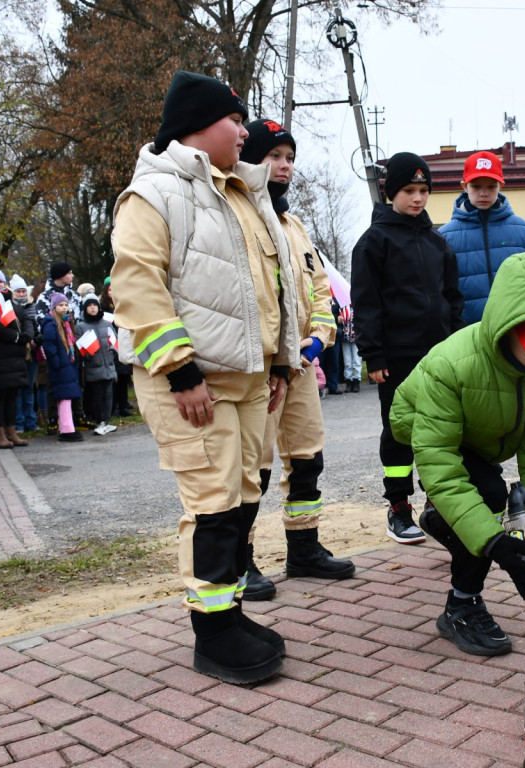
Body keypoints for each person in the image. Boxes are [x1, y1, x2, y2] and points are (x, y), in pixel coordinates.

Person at [111, 70, 300, 685]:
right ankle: (212, 634)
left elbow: (272, 291)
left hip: (249, 379)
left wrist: (280, 362)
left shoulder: (244, 192)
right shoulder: (154, 195)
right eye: (235, 120)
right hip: (194, 382)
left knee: (245, 496)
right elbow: (138, 288)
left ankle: (231, 612)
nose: (245, 131)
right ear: (199, 123)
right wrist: (182, 371)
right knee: (213, 503)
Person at [389, 252, 525, 656]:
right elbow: (442, 465)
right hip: (424, 426)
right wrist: (494, 542)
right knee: (486, 503)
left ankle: (439, 518)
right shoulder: (453, 366)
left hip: (482, 435)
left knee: (483, 509)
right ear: (506, 330)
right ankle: (461, 607)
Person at [239, 118, 354, 599]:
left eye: (289, 158)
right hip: (261, 365)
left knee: (307, 457)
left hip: (302, 365)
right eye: (274, 157)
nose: (284, 166)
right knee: (252, 468)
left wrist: (319, 338)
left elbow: (320, 289)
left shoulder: (295, 224)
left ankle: (303, 548)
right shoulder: (239, 214)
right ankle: (237, 559)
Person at [350, 151, 464, 545]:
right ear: (390, 192)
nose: (417, 199)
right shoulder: (373, 242)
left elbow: (452, 297)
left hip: (439, 355)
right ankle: (399, 507)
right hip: (396, 357)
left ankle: (438, 503)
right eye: (409, 190)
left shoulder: (437, 242)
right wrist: (374, 354)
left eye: (424, 191)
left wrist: (456, 343)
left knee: (442, 429)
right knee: (399, 430)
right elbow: (366, 301)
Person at [439, 151, 525, 326]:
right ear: (464, 186)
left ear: (501, 186)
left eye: (491, 186)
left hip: (515, 329)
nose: (484, 193)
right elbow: (440, 293)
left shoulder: (524, 231)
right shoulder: (445, 237)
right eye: (476, 186)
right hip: (465, 334)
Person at [0, 268, 32, 448]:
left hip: (16, 358)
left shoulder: (13, 304)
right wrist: (17, 337)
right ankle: (0, 434)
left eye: (1, 281)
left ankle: (12, 432)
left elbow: (26, 320)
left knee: (12, 397)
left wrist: (27, 335)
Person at [41, 293, 83, 442]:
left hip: (67, 363)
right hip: (60, 365)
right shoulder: (51, 324)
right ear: (54, 307)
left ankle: (67, 426)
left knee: (66, 396)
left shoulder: (65, 323)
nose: (64, 308)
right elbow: (50, 346)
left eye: (66, 305)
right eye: (61, 305)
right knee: (64, 397)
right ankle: (66, 429)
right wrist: (58, 363)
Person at [76, 294, 118, 435]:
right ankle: (99, 421)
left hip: (108, 365)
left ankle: (106, 420)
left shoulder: (106, 323)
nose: (93, 308)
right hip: (93, 367)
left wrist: (113, 350)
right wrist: (88, 354)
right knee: (97, 395)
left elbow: (114, 339)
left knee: (109, 394)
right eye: (89, 306)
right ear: (85, 309)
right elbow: (80, 347)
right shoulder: (81, 326)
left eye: (95, 305)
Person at [98, 278, 134, 418]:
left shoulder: (123, 306)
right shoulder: (103, 309)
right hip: (111, 346)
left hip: (123, 343)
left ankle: (124, 405)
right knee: (114, 379)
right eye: (110, 289)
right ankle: (113, 407)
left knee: (124, 377)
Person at [11, 275, 40, 433]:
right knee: (18, 390)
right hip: (17, 353)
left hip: (32, 353)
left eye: (23, 291)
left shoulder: (32, 306)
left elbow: (36, 327)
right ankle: (19, 422)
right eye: (18, 291)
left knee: (29, 387)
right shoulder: (9, 307)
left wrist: (35, 339)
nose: (21, 294)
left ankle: (31, 421)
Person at [339, 305, 362, 392]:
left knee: (357, 360)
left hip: (356, 336)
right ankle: (348, 381)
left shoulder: (357, 305)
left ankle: (357, 381)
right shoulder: (342, 307)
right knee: (347, 361)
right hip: (345, 337)